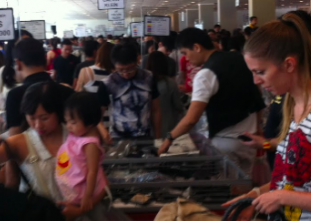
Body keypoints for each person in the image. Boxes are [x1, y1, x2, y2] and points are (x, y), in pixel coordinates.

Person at [225, 13, 311, 221]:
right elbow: (295, 181)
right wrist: (256, 196)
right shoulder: (293, 104)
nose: (256, 80)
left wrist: (280, 197)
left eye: (261, 72)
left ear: (289, 64)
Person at [158, 28, 265, 174]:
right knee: (245, 183)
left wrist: (169, 138)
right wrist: (258, 126)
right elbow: (257, 95)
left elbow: (191, 119)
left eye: (185, 53)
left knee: (231, 185)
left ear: (197, 47)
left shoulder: (205, 74)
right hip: (250, 140)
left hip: (225, 142)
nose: (186, 59)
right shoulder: (239, 58)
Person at [0, 81, 69, 204]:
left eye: (44, 118)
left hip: (83, 215)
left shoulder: (76, 137)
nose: (38, 125)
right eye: (32, 118)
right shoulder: (20, 142)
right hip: (39, 215)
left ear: (59, 112)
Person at [55, 92, 109, 220]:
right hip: (74, 189)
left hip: (87, 192)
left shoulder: (90, 144)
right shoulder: (76, 134)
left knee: (94, 219)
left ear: (89, 124)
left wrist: (88, 196)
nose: (68, 126)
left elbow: (92, 171)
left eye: (73, 122)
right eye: (67, 121)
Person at [4, 38, 73, 136]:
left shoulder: (15, 96)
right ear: (44, 60)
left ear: (18, 63)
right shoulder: (68, 92)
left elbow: (14, 137)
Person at [103, 42, 161, 139]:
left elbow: (156, 110)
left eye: (130, 68)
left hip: (145, 136)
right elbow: (97, 114)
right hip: (118, 137)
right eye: (120, 70)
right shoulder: (108, 83)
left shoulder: (148, 77)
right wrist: (104, 132)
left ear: (138, 60)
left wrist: (158, 136)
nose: (126, 73)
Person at [146, 51, 184, 134]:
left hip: (148, 129)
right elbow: (178, 106)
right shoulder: (170, 83)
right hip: (168, 127)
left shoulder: (144, 83)